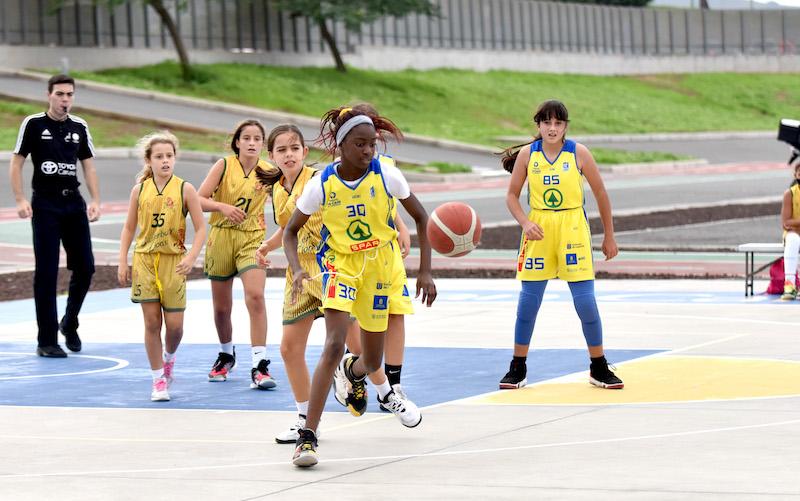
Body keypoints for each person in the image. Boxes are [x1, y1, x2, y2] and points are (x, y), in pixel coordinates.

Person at [283, 105, 436, 467]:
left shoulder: (388, 175)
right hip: (340, 265)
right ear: (342, 145)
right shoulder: (322, 184)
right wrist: (297, 269)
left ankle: (351, 374)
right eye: (360, 144)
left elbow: (422, 217)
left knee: (371, 359)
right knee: (334, 343)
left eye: (372, 144)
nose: (368, 151)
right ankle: (308, 437)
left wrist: (425, 271)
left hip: (380, 266)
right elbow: (290, 231)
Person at [253, 125, 420, 445]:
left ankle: (386, 394)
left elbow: (375, 200)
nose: (288, 154)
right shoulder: (277, 189)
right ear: (271, 156)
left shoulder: (321, 179)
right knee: (289, 349)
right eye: (281, 150)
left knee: (359, 347)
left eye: (294, 148)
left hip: (335, 268)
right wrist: (267, 246)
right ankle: (304, 419)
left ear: (304, 152)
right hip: (300, 274)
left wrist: (399, 225)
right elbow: (290, 226)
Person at [500, 99, 623, 391]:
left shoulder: (579, 153)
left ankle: (598, 365)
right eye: (547, 123)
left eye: (558, 123)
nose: (552, 128)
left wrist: (609, 235)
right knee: (528, 303)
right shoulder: (529, 155)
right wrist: (525, 222)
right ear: (539, 125)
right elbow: (511, 196)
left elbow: (601, 193)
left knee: (585, 303)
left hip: (573, 229)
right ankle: (517, 366)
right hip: (539, 230)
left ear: (565, 126)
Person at [9, 74, 100, 358]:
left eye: (69, 95)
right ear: (49, 95)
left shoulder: (79, 126)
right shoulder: (34, 124)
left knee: (85, 267)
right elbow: (16, 163)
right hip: (45, 206)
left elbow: (89, 166)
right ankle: (46, 340)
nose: (65, 100)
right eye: (60, 94)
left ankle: (69, 322)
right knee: (46, 273)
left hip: (73, 204)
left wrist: (95, 200)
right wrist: (21, 199)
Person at [117, 131, 206, 401]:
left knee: (175, 327)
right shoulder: (139, 190)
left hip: (173, 262)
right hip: (145, 261)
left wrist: (191, 257)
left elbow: (202, 228)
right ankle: (158, 380)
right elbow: (129, 227)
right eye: (159, 157)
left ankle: (169, 358)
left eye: (169, 156)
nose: (165, 161)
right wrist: (123, 260)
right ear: (149, 160)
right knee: (152, 322)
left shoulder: (185, 188)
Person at [197, 119, 278, 390]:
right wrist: (221, 206)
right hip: (221, 237)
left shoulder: (269, 172)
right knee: (222, 308)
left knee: (255, 297)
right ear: (238, 142)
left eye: (257, 138)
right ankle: (226, 354)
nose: (252, 142)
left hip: (252, 238)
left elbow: (289, 201)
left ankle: (260, 364)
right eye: (247, 138)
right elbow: (198, 199)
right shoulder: (223, 165)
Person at [780, 161, 800, 300]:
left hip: (796, 229)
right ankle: (790, 285)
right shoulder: (790, 194)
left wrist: (796, 223)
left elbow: (792, 222)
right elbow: (786, 222)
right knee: (793, 239)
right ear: (796, 175)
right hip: (793, 234)